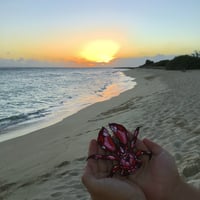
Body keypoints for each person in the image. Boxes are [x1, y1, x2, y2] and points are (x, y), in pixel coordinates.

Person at [82, 138, 200, 200]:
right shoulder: (135, 157)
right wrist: (173, 189)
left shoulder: (119, 163)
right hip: (132, 164)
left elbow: (108, 159)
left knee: (108, 155)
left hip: (126, 165)